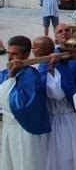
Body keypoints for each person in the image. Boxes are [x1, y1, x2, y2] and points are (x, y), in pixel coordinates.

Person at [32, 36, 76, 170]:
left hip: (63, 120)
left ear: (42, 50)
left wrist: (50, 69)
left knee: (65, 156)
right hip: (52, 119)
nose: (33, 50)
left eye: (35, 47)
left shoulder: (56, 66)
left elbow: (57, 93)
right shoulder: (45, 64)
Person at [0, 36, 51, 170]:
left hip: (25, 130)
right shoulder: (4, 73)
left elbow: (17, 104)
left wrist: (11, 77)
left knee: (27, 164)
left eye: (14, 54)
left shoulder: (31, 75)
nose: (10, 58)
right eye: (8, 53)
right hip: (8, 128)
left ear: (26, 54)